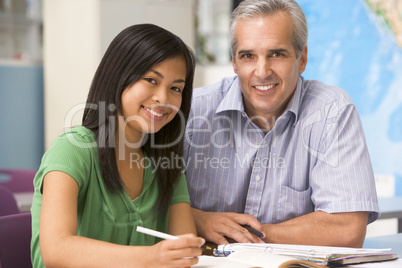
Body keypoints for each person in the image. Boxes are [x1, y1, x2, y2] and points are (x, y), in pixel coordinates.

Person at [183, 0, 379, 247]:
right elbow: (141, 208)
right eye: (248, 56)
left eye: (276, 54)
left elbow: (347, 229)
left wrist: (243, 235)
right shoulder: (192, 110)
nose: (262, 71)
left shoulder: (332, 112)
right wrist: (197, 219)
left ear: (302, 58)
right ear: (234, 62)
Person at [31, 24, 204, 267]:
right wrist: (152, 258)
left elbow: (185, 254)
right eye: (151, 80)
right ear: (118, 77)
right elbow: (56, 250)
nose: (163, 99)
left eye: (176, 88)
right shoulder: (72, 149)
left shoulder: (167, 164)